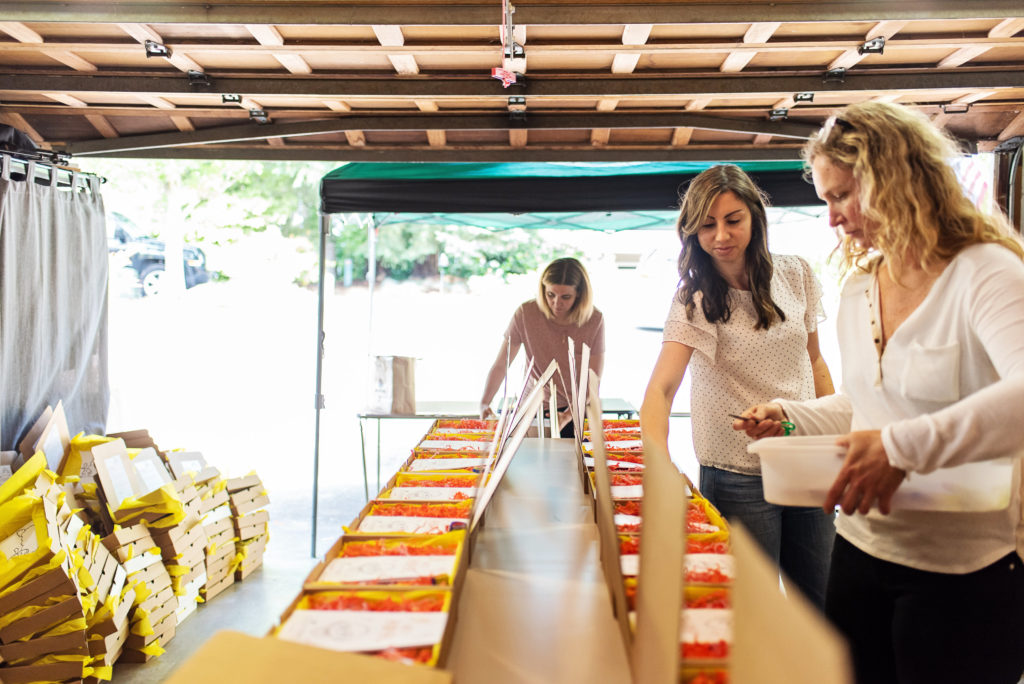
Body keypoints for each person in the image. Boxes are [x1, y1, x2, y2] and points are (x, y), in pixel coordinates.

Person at [737, 101, 1024, 684]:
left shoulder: (985, 272)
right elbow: (867, 404)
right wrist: (792, 417)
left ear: (899, 178)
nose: (833, 220)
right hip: (861, 549)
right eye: (826, 200)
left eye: (843, 196)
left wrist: (900, 449)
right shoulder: (860, 286)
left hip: (964, 569)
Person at [640, 164, 836, 608]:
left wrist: (836, 436)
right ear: (691, 231)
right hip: (736, 474)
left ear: (755, 218)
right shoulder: (693, 298)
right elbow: (660, 392)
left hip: (805, 456)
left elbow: (816, 359)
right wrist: (661, 466)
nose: (721, 236)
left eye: (733, 220)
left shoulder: (797, 274)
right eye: (707, 225)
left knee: (824, 600)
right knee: (753, 608)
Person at [479, 257, 605, 437]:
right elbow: (501, 364)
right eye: (550, 295)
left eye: (566, 297)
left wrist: (568, 415)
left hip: (575, 409)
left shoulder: (594, 319)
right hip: (533, 409)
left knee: (572, 464)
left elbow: (593, 379)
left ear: (580, 295)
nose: (556, 303)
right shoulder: (526, 313)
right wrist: (485, 402)